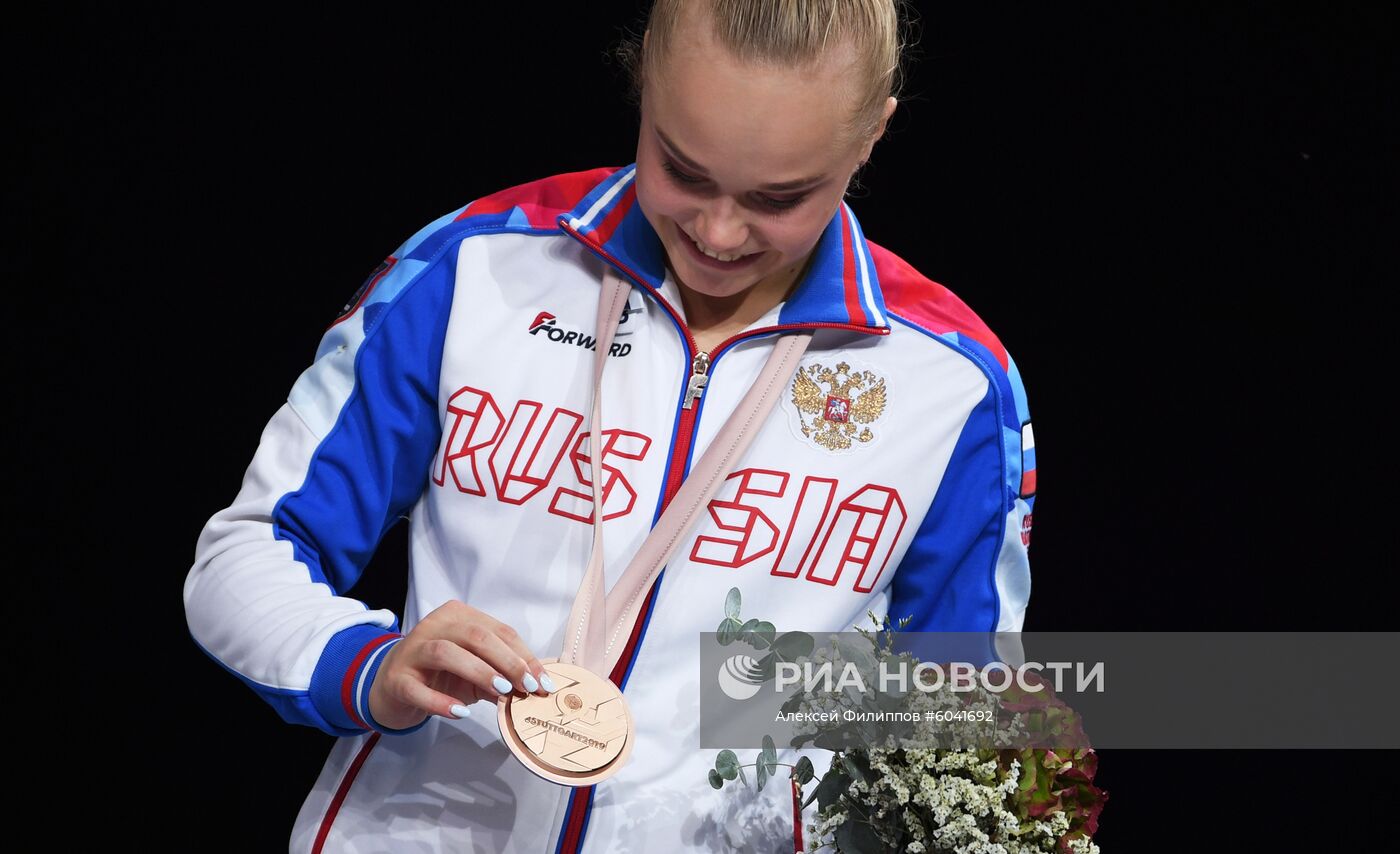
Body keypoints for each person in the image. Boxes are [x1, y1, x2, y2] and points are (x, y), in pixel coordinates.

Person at [183, 0, 1037, 850]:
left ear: (871, 135)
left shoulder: (954, 384)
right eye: (684, 170)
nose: (718, 231)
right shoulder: (478, 265)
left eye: (780, 197)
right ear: (642, 85)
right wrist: (369, 665)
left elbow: (964, 724)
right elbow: (245, 556)